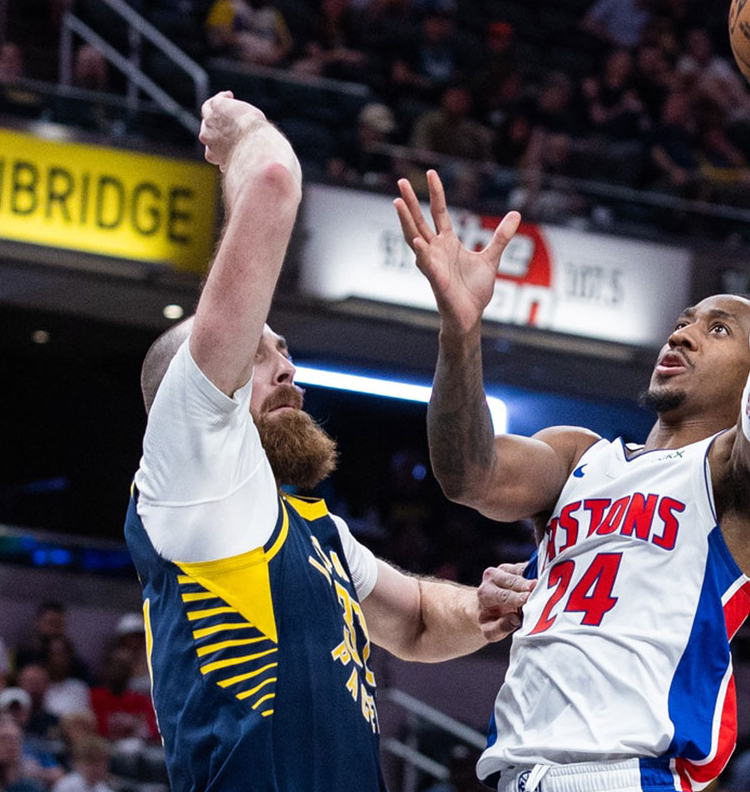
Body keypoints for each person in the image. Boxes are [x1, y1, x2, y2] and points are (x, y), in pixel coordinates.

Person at [395, 11, 750, 790]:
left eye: (717, 327)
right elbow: (467, 475)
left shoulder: (742, 481)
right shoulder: (579, 457)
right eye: (680, 322)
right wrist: (461, 333)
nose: (684, 334)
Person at [127, 91, 533, 792]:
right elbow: (273, 182)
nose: (287, 366)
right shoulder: (191, 465)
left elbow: (417, 623)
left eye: (286, 351)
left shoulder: (312, 532)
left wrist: (487, 608)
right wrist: (242, 132)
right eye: (258, 354)